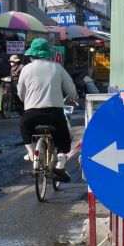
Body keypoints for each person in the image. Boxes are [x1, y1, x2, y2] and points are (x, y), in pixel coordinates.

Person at [17, 38, 77, 182]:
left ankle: (31, 154)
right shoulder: (57, 68)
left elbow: (20, 93)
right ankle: (61, 164)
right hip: (54, 114)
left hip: (32, 114)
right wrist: (74, 97)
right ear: (47, 54)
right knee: (63, 136)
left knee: (24, 126)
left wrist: (27, 101)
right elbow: (71, 90)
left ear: (32, 54)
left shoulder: (26, 69)